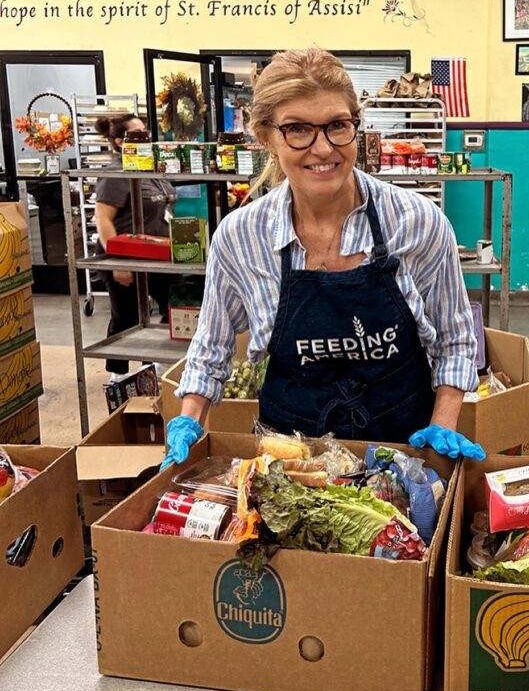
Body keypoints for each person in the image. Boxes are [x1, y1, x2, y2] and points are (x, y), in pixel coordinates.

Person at [163, 47, 484, 467]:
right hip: (291, 463)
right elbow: (210, 351)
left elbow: (454, 339)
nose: (323, 148)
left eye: (337, 125)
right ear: (266, 137)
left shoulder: (417, 222)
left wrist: (443, 425)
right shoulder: (241, 238)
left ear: (356, 125)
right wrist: (189, 423)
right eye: (297, 129)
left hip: (405, 452)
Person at [93, 113, 175, 379]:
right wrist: (119, 261)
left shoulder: (150, 168)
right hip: (124, 258)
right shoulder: (117, 174)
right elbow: (103, 219)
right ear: (119, 142)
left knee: (172, 307)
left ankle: (152, 369)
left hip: (156, 257)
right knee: (126, 317)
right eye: (137, 135)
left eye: (146, 133)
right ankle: (116, 377)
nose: (145, 139)